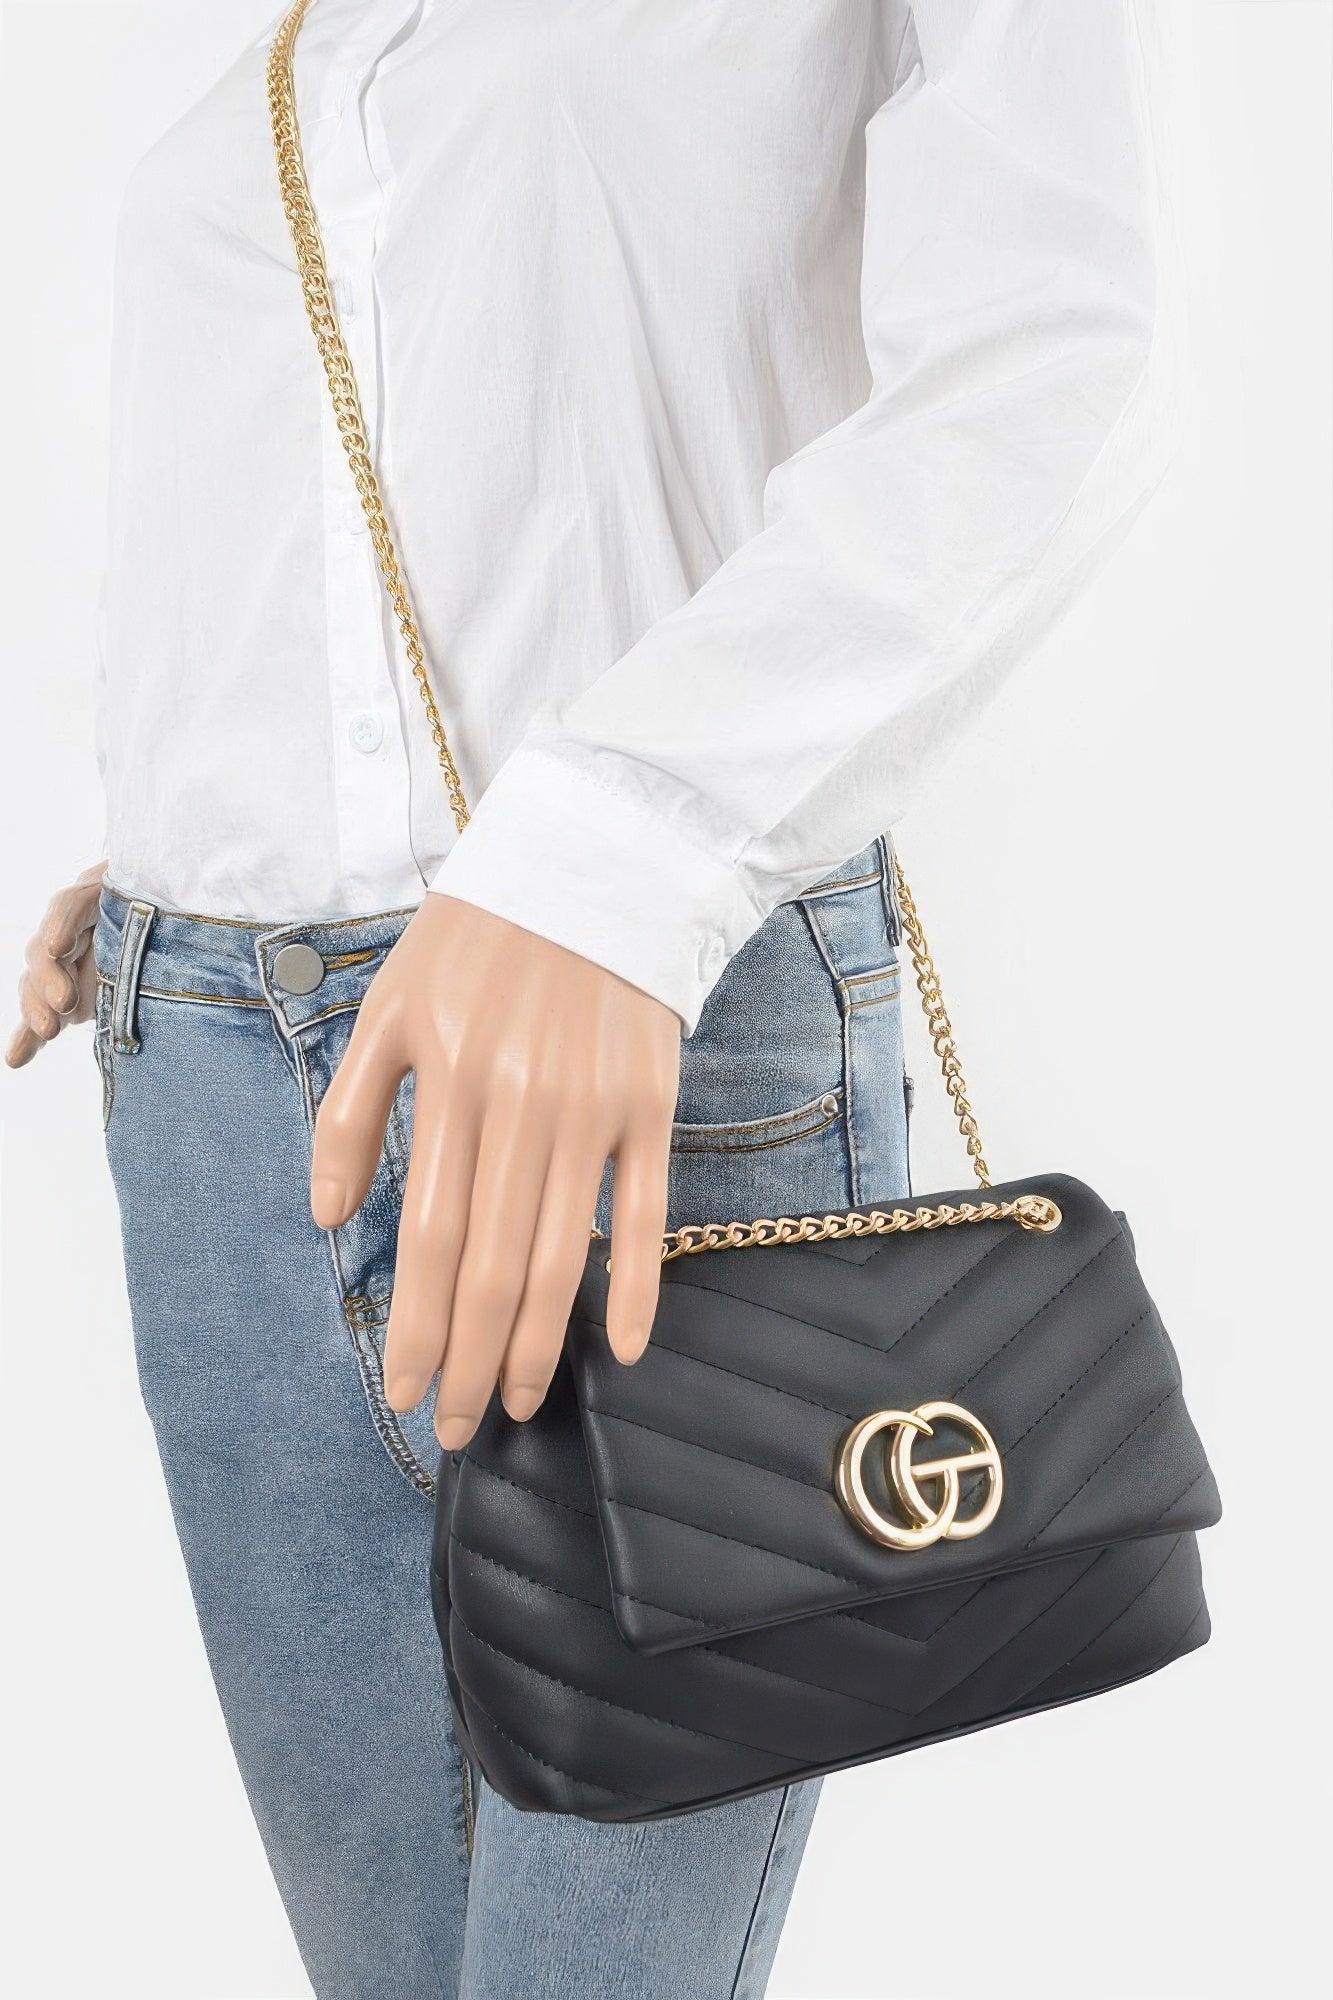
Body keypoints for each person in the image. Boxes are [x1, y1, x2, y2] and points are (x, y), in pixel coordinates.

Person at [8, 3, 1177, 1995]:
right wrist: (205, 833)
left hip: (652, 1026)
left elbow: (1050, 350)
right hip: (203, 1061)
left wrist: (619, 849)